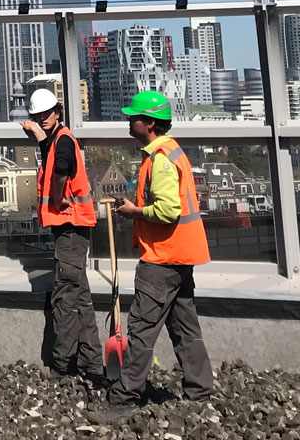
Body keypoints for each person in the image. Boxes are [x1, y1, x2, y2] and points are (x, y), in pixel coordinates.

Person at [93, 90, 214, 423]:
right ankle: (200, 392)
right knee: (185, 327)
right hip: (179, 257)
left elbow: (168, 210)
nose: (129, 121)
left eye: (134, 117)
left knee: (142, 330)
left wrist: (134, 212)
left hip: (161, 259)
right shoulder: (172, 151)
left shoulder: (160, 160)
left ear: (149, 123)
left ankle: (122, 400)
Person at [19, 87, 101, 381]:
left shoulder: (63, 142)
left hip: (70, 228)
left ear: (57, 111)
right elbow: (51, 155)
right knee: (80, 297)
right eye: (37, 115)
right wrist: (38, 135)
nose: (42, 118)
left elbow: (59, 170)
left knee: (65, 297)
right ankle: (92, 363)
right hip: (72, 228)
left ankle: (62, 364)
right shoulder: (57, 140)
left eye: (46, 113)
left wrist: (57, 196)